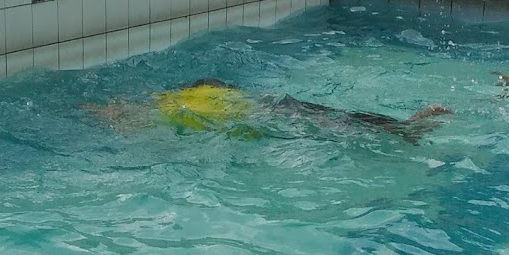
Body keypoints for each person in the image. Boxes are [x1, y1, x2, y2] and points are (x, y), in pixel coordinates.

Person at [94, 78, 450, 142]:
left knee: (332, 125)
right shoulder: (187, 93)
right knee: (332, 116)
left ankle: (403, 130)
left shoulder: (165, 110)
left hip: (265, 114)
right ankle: (402, 127)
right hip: (269, 103)